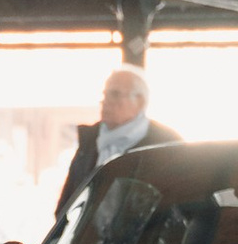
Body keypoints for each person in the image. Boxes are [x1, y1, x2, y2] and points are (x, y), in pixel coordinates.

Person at [53, 63, 178, 221]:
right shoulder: (90, 141)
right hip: (85, 240)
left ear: (139, 102)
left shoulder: (166, 144)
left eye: (115, 94)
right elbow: (66, 204)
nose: (105, 101)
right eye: (104, 95)